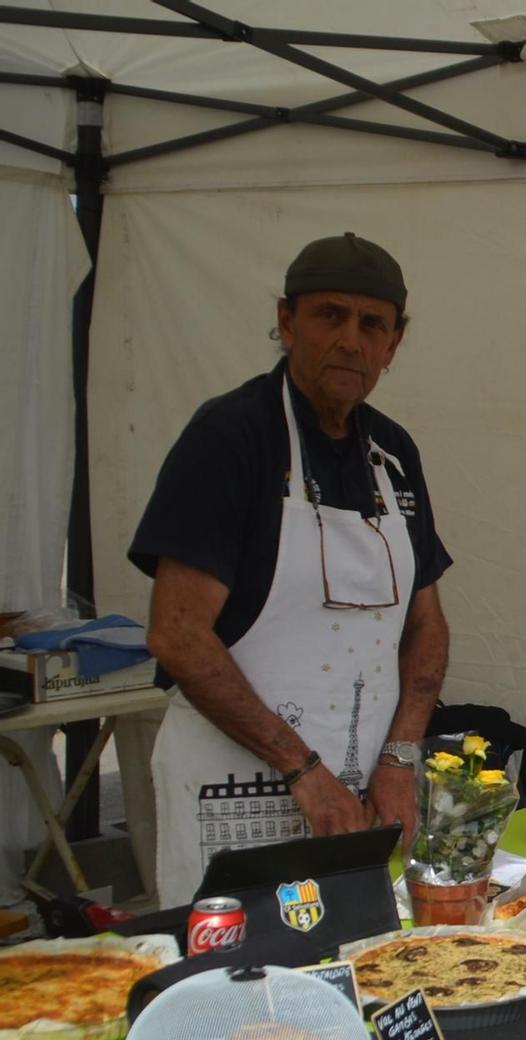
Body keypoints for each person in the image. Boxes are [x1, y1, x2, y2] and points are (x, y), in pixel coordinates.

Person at [131, 234, 452, 905]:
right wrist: (301, 768)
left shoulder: (393, 453)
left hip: (359, 803)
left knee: (359, 971)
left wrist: (400, 757)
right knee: (236, 993)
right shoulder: (229, 437)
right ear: (285, 322)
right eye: (328, 316)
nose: (350, 341)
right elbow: (178, 633)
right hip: (237, 787)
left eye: (372, 325)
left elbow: (427, 629)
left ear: (395, 343)